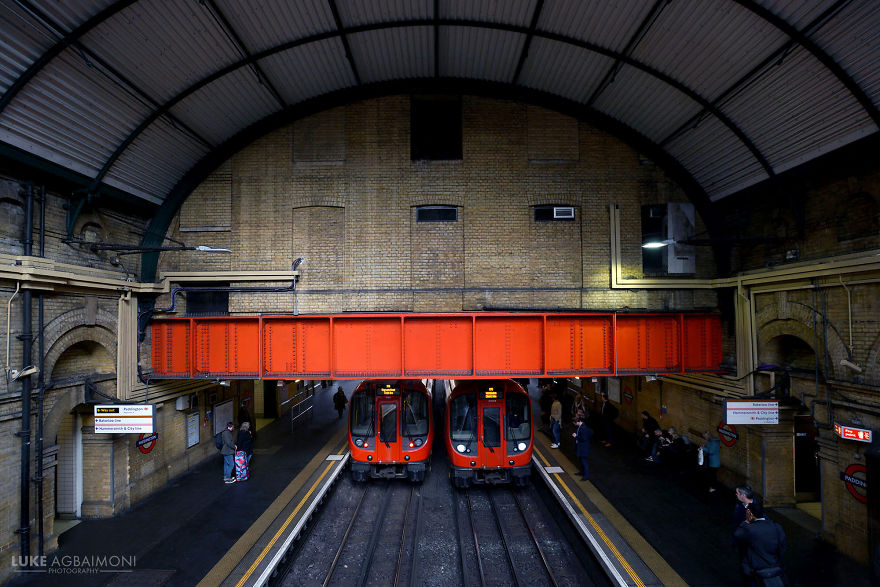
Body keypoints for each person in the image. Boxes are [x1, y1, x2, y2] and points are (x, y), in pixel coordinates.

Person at [733, 500, 788, 586]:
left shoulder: (749, 529)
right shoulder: (776, 526)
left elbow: (737, 534)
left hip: (756, 568)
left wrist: (746, 522)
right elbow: (782, 546)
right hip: (774, 565)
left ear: (749, 513)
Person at [572, 417, 594, 481]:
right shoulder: (580, 426)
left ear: (577, 422)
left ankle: (586, 476)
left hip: (583, 448)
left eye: (574, 423)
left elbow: (583, 439)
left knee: (584, 462)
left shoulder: (583, 428)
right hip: (580, 447)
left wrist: (576, 436)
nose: (574, 425)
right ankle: (581, 472)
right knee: (581, 461)